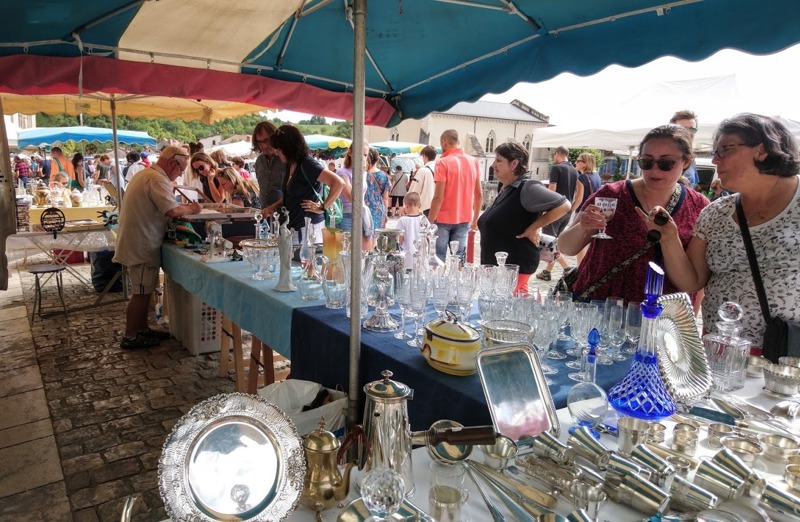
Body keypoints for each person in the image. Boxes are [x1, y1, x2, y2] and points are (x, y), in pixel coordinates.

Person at [647, 113, 800, 350]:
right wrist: (669, 237)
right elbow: (692, 280)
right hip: (720, 352)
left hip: (787, 359)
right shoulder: (716, 212)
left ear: (761, 150)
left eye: (724, 150)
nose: (716, 161)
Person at [558, 124, 710, 305]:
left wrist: (669, 239)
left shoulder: (698, 206)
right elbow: (566, 247)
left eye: (666, 163)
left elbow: (692, 283)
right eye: (646, 162)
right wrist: (582, 227)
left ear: (686, 162)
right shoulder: (612, 194)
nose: (655, 170)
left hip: (660, 315)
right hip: (602, 305)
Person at [113, 146, 200, 349]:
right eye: (180, 170)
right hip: (141, 243)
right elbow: (172, 210)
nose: (179, 176)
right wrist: (193, 208)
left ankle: (141, 329)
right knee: (141, 292)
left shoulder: (148, 174)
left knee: (145, 289)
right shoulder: (156, 178)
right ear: (172, 163)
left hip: (140, 240)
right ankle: (131, 335)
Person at [477, 142, 571, 293]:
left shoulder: (527, 188)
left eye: (499, 160)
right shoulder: (506, 187)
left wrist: (534, 227)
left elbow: (564, 205)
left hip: (514, 268)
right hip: (499, 269)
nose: (494, 165)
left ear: (514, 164)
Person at [269, 124, 344, 248]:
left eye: (278, 149)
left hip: (308, 229)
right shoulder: (291, 164)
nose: (276, 153)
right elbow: (291, 196)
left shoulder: (307, 164)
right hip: (295, 227)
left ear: (288, 148)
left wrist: (322, 207)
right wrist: (272, 207)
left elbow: (339, 183)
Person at [428, 130, 482, 261]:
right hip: (464, 217)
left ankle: (438, 281)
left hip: (443, 218)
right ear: (458, 142)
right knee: (458, 259)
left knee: (437, 258)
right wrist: (475, 220)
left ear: (443, 143)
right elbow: (479, 194)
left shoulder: (443, 162)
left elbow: (438, 197)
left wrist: (429, 222)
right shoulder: (473, 161)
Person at [535, 146, 583, 281]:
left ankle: (568, 268)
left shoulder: (556, 168)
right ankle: (547, 272)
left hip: (556, 209)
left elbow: (552, 190)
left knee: (548, 242)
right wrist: (573, 208)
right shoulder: (575, 171)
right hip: (567, 211)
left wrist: (546, 208)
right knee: (555, 241)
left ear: (557, 154)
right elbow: (580, 192)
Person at [573, 152, 601, 265]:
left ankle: (581, 268)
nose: (576, 162)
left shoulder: (582, 178)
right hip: (595, 212)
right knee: (590, 242)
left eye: (579, 160)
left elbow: (579, 199)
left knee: (579, 243)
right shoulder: (597, 176)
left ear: (585, 164)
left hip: (583, 212)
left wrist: (570, 210)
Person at [252, 121, 286, 210]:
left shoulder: (286, 159)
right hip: (265, 214)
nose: (264, 145)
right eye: (260, 142)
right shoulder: (259, 161)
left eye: (267, 140)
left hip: (287, 215)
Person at [364, 148, 391, 249]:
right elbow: (385, 198)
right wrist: (386, 214)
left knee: (364, 237)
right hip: (378, 210)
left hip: (364, 208)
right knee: (375, 238)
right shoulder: (383, 176)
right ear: (377, 159)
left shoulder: (362, 174)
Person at [670, 109, 699, 187]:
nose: (688, 133)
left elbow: (693, 185)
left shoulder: (691, 158)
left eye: (692, 129)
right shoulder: (664, 155)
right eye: (683, 129)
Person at [396, 191, 425, 269]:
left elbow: (399, 239)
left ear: (406, 206)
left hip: (407, 256)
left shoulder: (402, 220)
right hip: (421, 256)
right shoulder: (423, 219)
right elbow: (429, 234)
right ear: (420, 205)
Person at [409, 145, 436, 215]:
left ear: (425, 156)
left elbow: (415, 191)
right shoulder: (440, 169)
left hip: (425, 209)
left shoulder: (423, 171)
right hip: (438, 208)